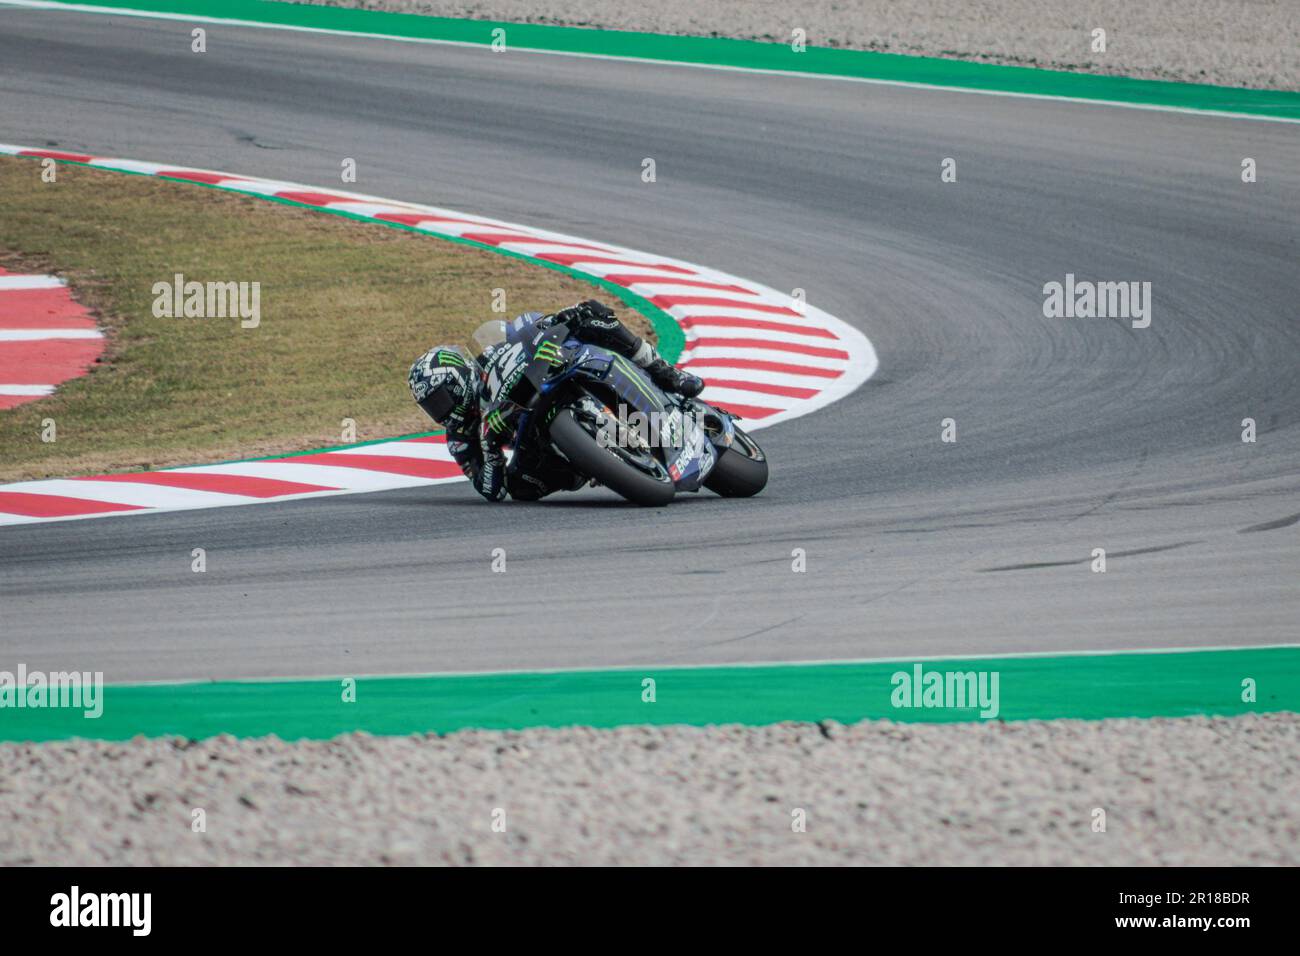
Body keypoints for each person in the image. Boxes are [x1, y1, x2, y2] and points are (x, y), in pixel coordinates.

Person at [408, 299, 703, 501]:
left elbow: (524, 326)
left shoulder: (488, 358)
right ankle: (586, 462)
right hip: (532, 435)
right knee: (521, 488)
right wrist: (489, 447)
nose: (441, 411)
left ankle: (663, 372)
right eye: (431, 406)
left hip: (548, 374)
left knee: (590, 313)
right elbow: (491, 491)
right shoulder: (460, 436)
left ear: (459, 379)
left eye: (441, 399)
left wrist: (552, 323)